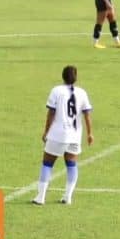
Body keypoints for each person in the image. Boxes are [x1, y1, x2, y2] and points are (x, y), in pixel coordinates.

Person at [32, 65, 94, 205]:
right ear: (76, 78)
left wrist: (46, 131)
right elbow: (87, 114)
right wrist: (90, 133)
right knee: (71, 164)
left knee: (47, 163)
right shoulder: (82, 93)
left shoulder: (56, 91)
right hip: (74, 136)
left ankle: (41, 197)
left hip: (57, 134)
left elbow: (51, 113)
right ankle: (68, 196)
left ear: (63, 76)